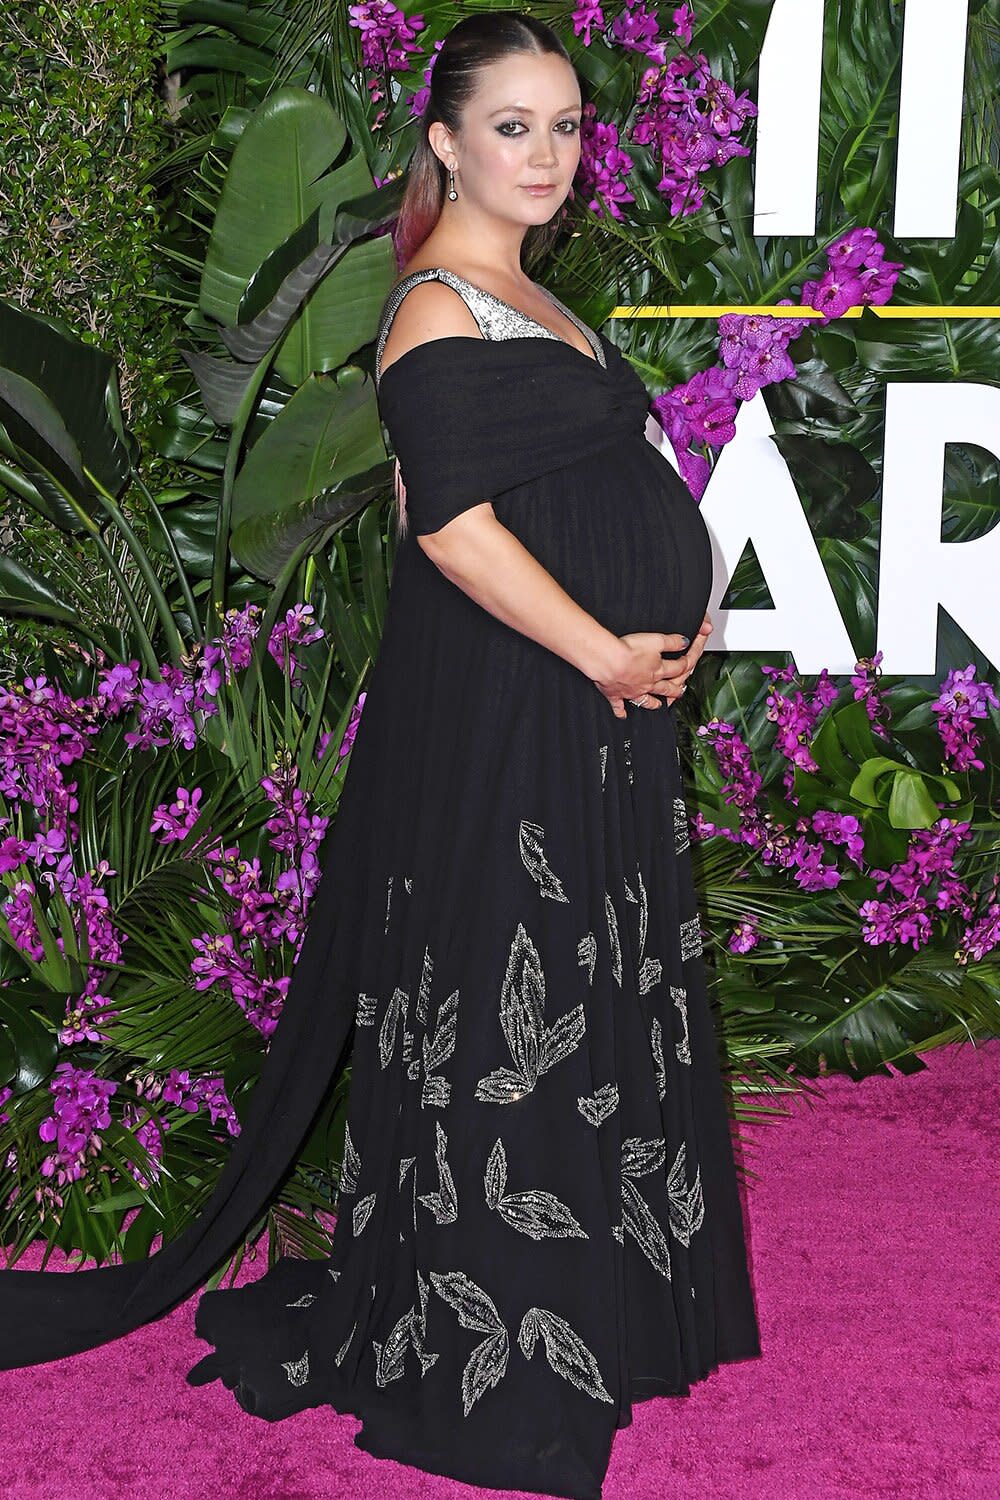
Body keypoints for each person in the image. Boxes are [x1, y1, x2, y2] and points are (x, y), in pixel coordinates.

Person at [0, 13, 761, 1498]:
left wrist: (675, 616)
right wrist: (608, 647)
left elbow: (590, 483)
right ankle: (500, 1336)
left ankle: (600, 1299)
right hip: (523, 707)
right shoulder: (435, 308)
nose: (546, 155)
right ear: (445, 140)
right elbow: (451, 528)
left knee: (580, 983)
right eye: (513, 127)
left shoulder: (537, 302)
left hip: (591, 711)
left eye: (566, 127)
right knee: (510, 987)